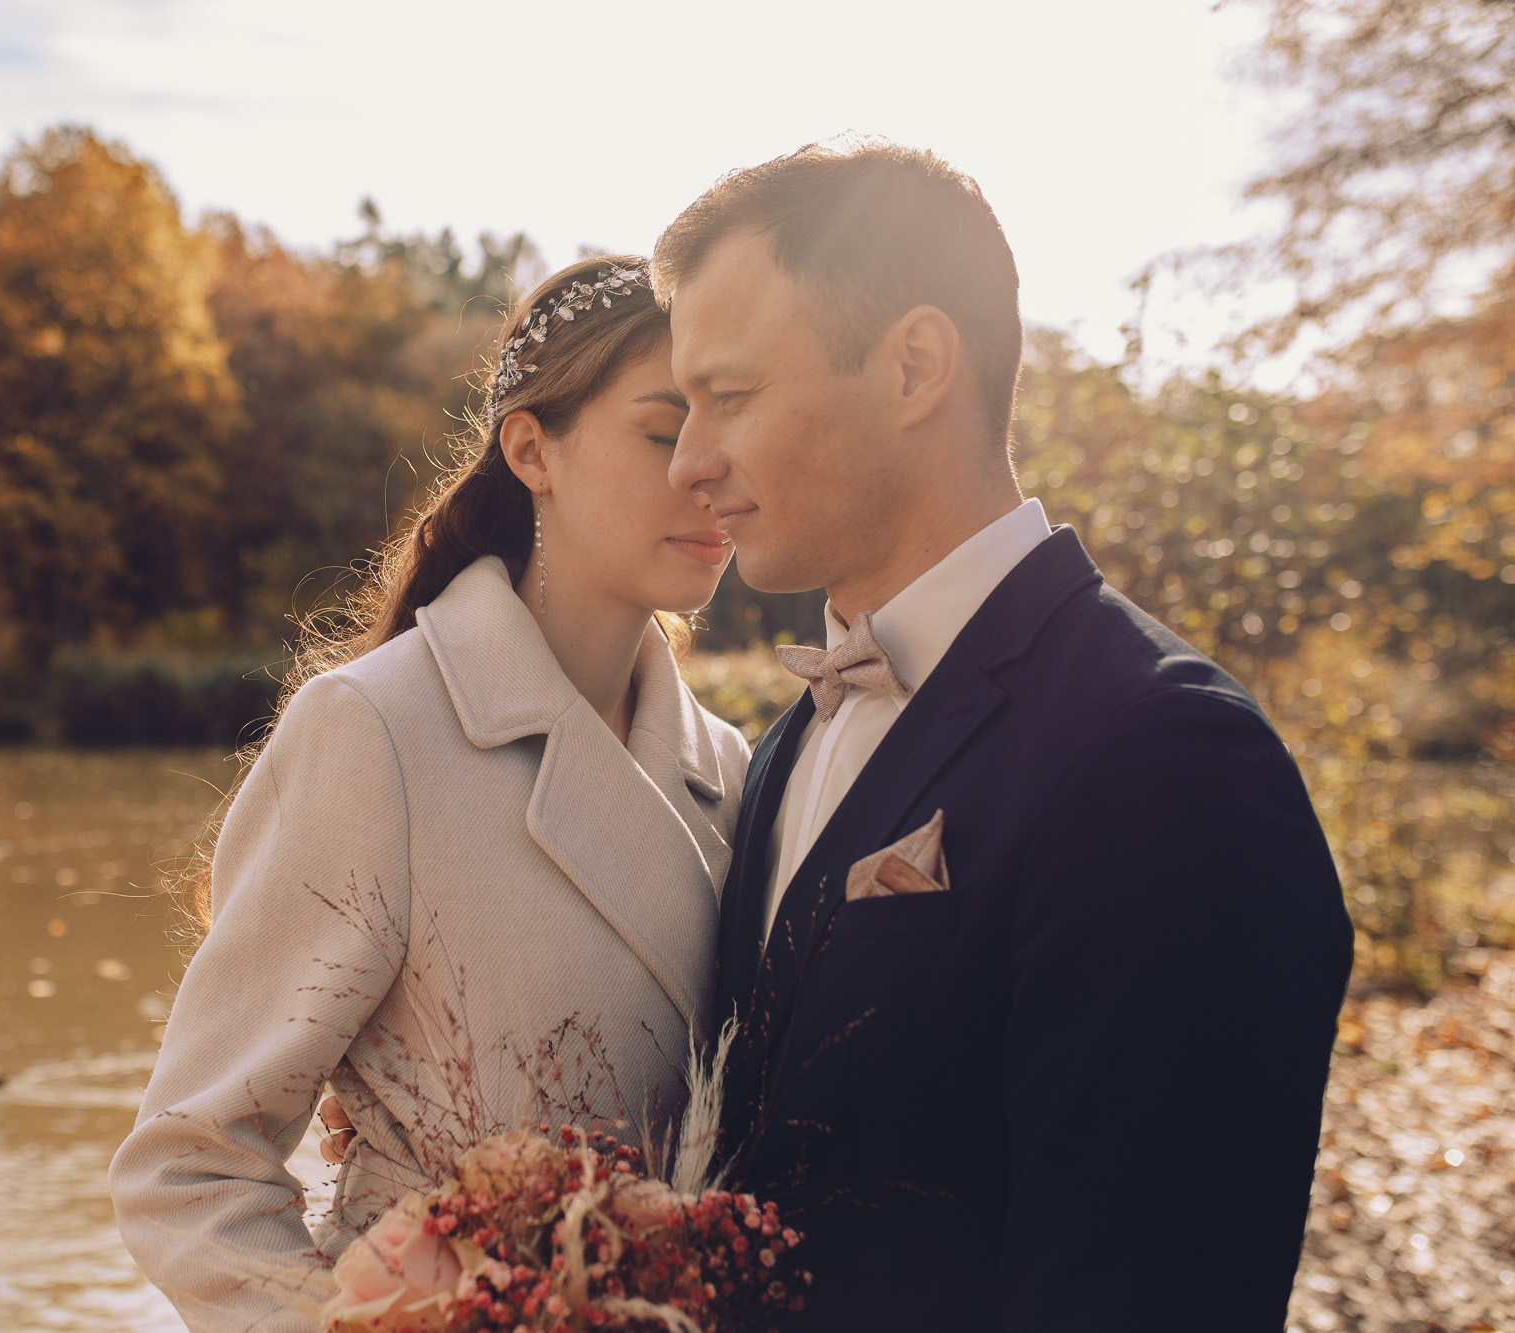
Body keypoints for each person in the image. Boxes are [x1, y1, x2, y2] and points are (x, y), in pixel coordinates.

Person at [653, 140, 1355, 1332]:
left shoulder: (1162, 757)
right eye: (681, 411)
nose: (688, 463)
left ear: (916, 364)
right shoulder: (785, 745)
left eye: (729, 397)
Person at [108, 256, 750, 1330]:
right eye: (661, 429)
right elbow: (188, 1165)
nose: (709, 469)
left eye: (727, 426)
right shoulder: (375, 733)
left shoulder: (736, 768)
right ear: (530, 449)